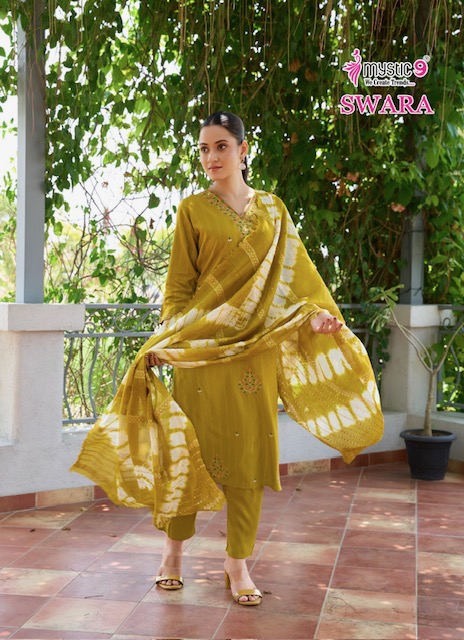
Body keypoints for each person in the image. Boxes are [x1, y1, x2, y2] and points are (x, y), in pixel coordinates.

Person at [72, 111, 383, 607]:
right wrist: (170, 339)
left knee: (249, 457)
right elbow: (179, 288)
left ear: (243, 150)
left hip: (255, 354)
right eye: (203, 149)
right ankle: (173, 554)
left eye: (220, 146)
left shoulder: (274, 210)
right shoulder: (193, 210)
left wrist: (318, 319)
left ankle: (237, 563)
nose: (211, 157)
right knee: (186, 452)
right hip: (203, 355)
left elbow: (299, 284)